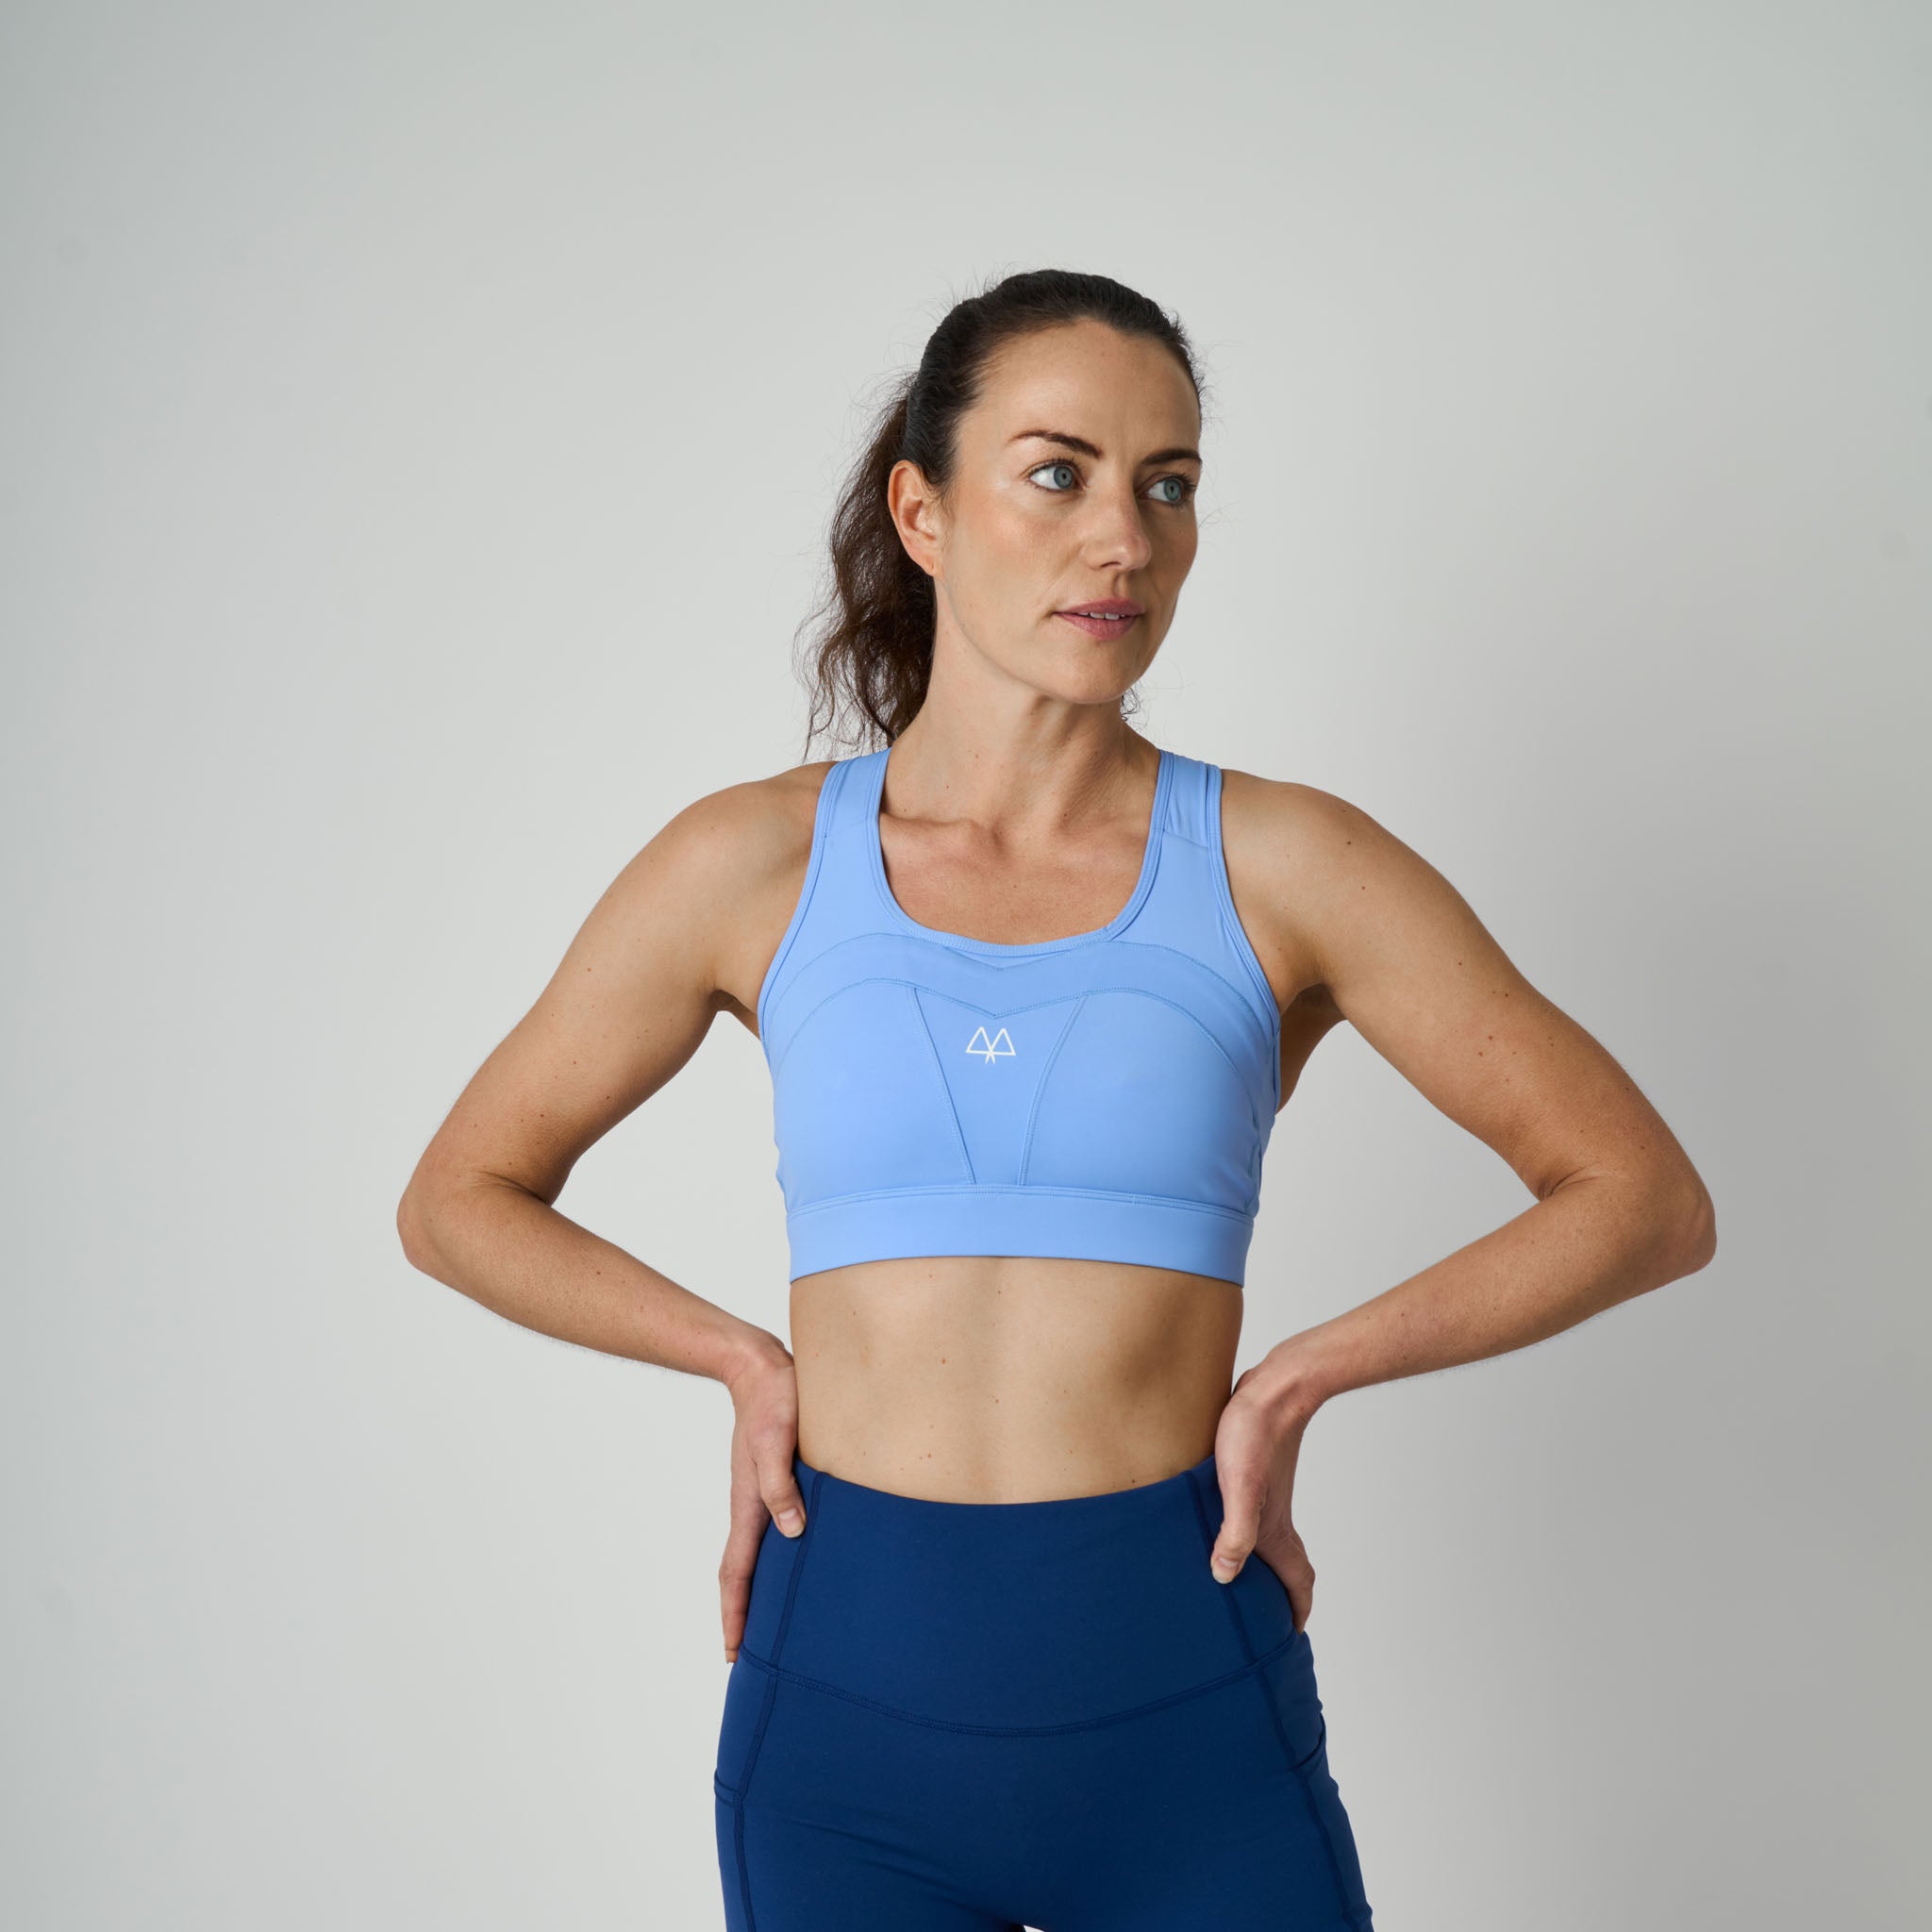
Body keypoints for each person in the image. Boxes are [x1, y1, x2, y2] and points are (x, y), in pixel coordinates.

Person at [397, 267, 1716, 1932]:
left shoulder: (1286, 863)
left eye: (1168, 485)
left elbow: (1641, 1197)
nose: (1124, 540)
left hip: (1185, 1710)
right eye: (1058, 472)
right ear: (924, 512)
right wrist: (739, 1358)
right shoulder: (750, 864)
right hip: (842, 1723)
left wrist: (1298, 1380)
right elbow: (459, 1198)